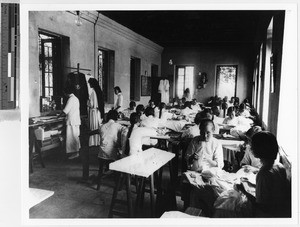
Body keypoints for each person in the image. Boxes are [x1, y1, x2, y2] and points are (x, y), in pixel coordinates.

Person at [236, 131, 291, 217]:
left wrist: (243, 191)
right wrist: (253, 185)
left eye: (252, 146)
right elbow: (271, 190)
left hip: (267, 215)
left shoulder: (264, 173)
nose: (250, 149)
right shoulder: (280, 166)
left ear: (260, 149)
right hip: (280, 210)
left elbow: (262, 207)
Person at [58, 86, 81, 159]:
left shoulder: (71, 99)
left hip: (72, 122)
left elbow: (65, 111)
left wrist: (58, 116)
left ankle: (75, 153)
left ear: (66, 93)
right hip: (75, 121)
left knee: (72, 137)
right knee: (75, 137)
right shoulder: (76, 98)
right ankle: (76, 152)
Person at [87, 78, 104, 146]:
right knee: (96, 126)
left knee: (93, 126)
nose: (89, 85)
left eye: (90, 83)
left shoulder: (93, 92)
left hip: (93, 112)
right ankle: (97, 141)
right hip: (97, 111)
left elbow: (91, 104)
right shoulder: (98, 91)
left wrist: (87, 101)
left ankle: (93, 142)